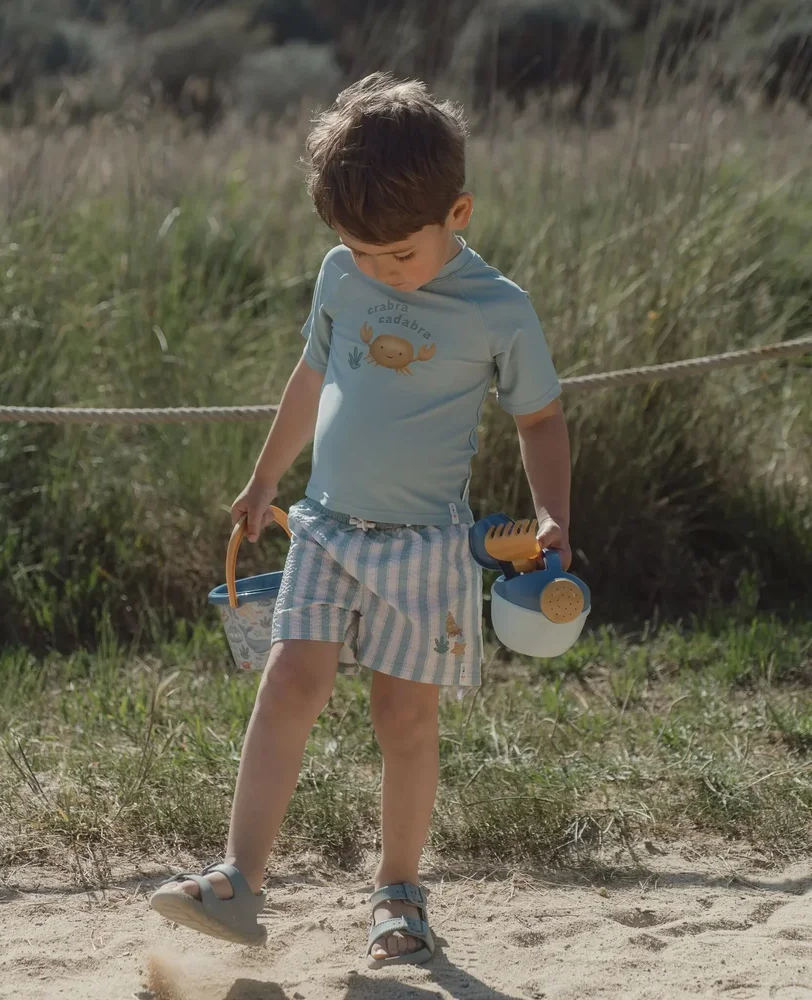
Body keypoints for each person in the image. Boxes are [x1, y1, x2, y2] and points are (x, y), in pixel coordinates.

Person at [150, 71, 572, 968]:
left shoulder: (500, 309)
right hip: (327, 529)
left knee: (402, 718)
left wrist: (551, 513)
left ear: (458, 212)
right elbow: (312, 377)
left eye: (399, 257)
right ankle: (237, 883)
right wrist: (264, 479)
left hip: (426, 547)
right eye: (360, 251)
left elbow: (539, 418)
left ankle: (399, 896)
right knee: (288, 682)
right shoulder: (342, 273)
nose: (380, 270)